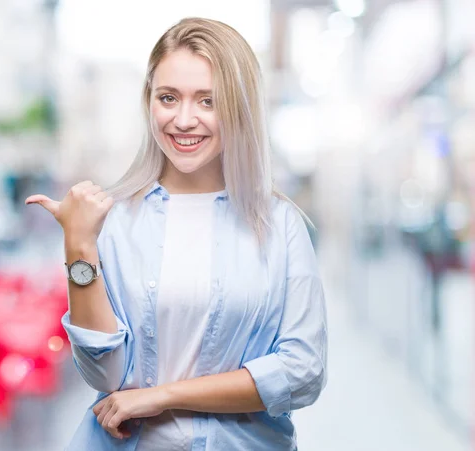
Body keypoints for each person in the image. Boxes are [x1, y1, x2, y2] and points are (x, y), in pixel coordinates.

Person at [25, 17, 328, 451]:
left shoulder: (280, 225)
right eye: (169, 98)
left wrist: (162, 396)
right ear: (149, 101)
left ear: (239, 106)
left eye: (208, 101)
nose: (184, 120)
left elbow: (303, 372)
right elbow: (105, 376)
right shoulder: (113, 221)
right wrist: (78, 246)